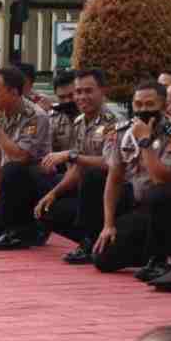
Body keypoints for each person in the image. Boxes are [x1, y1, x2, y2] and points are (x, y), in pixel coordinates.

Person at [91, 81, 171, 280]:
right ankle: (146, 252)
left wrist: (145, 142)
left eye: (149, 104)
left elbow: (161, 178)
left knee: (159, 194)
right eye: (138, 105)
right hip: (139, 207)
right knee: (103, 260)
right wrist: (108, 224)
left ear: (163, 107)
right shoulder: (122, 132)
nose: (143, 110)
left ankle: (162, 258)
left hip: (169, 209)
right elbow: (114, 179)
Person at [36, 69, 117, 265]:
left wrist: (71, 155)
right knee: (49, 209)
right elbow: (78, 166)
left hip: (116, 193)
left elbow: (111, 164)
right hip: (88, 192)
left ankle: (92, 240)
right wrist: (54, 194)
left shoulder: (113, 123)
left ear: (102, 91)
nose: (81, 97)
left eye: (88, 91)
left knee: (93, 175)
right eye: (78, 92)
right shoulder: (81, 121)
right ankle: (86, 239)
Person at [0, 66, 53, 250]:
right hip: (8, 183)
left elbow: (20, 157)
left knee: (14, 169)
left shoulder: (36, 116)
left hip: (35, 181)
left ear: (14, 92)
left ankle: (20, 231)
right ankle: (15, 225)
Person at [49, 71, 79, 153]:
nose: (67, 101)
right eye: (62, 97)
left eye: (71, 95)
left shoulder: (93, 115)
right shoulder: (54, 118)